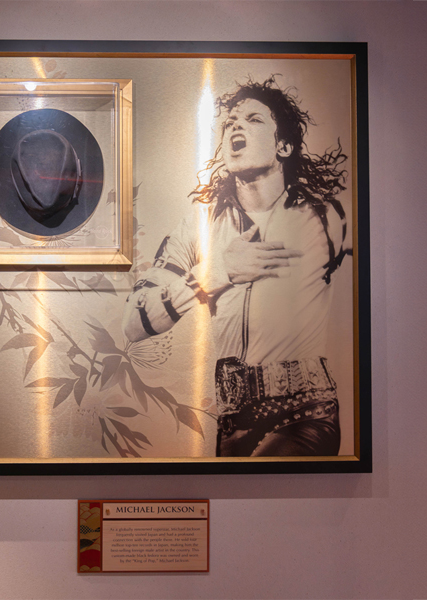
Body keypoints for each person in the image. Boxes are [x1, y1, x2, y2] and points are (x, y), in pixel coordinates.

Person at [122, 76, 350, 457]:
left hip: (306, 415)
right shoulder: (200, 227)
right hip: (233, 425)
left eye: (253, 119)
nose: (235, 127)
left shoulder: (325, 216)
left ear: (283, 145)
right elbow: (131, 324)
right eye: (229, 123)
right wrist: (213, 274)